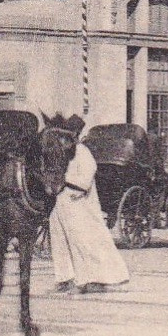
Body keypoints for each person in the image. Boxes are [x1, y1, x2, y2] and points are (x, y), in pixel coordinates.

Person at [49, 116, 131, 295]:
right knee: (59, 241)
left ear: (74, 137)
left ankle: (92, 279)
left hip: (79, 204)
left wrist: (64, 180)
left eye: (65, 138)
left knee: (82, 241)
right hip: (60, 202)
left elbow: (85, 179)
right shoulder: (60, 153)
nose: (62, 141)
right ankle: (65, 278)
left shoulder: (82, 152)